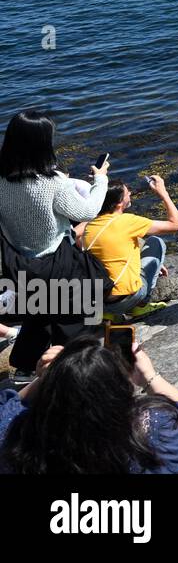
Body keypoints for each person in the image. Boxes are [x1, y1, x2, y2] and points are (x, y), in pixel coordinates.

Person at [0, 336, 178, 473]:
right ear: (119, 393)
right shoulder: (151, 431)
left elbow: (6, 402)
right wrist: (150, 377)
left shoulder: (15, 434)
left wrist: (49, 379)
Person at [0, 110, 110, 381]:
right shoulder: (53, 183)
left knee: (38, 313)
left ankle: (25, 367)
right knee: (75, 313)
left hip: (18, 262)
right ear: (43, 144)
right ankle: (77, 368)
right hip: (58, 261)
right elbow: (88, 211)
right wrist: (101, 179)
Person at [81, 176, 178, 318]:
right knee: (156, 242)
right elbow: (177, 225)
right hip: (125, 300)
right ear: (119, 204)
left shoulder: (89, 226)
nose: (130, 194)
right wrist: (163, 193)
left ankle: (108, 315)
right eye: (128, 193)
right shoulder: (128, 221)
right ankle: (140, 306)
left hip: (99, 301)